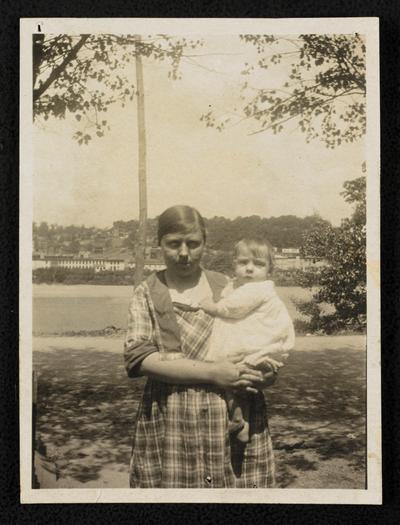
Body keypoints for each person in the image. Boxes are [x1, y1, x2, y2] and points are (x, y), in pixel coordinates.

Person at [124, 205, 277, 488]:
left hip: (233, 418)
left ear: (204, 244)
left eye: (193, 244)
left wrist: (265, 374)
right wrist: (212, 373)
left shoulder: (230, 287)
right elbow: (140, 359)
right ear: (159, 244)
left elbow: (264, 336)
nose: (184, 253)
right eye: (173, 244)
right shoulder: (148, 291)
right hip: (172, 420)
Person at [199, 237, 295, 443]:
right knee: (240, 382)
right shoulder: (238, 285)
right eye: (243, 263)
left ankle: (238, 418)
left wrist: (211, 306)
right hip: (254, 341)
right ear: (234, 264)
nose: (250, 269)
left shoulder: (258, 289)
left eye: (258, 264)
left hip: (259, 343)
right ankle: (243, 422)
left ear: (269, 269)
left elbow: (233, 308)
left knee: (239, 378)